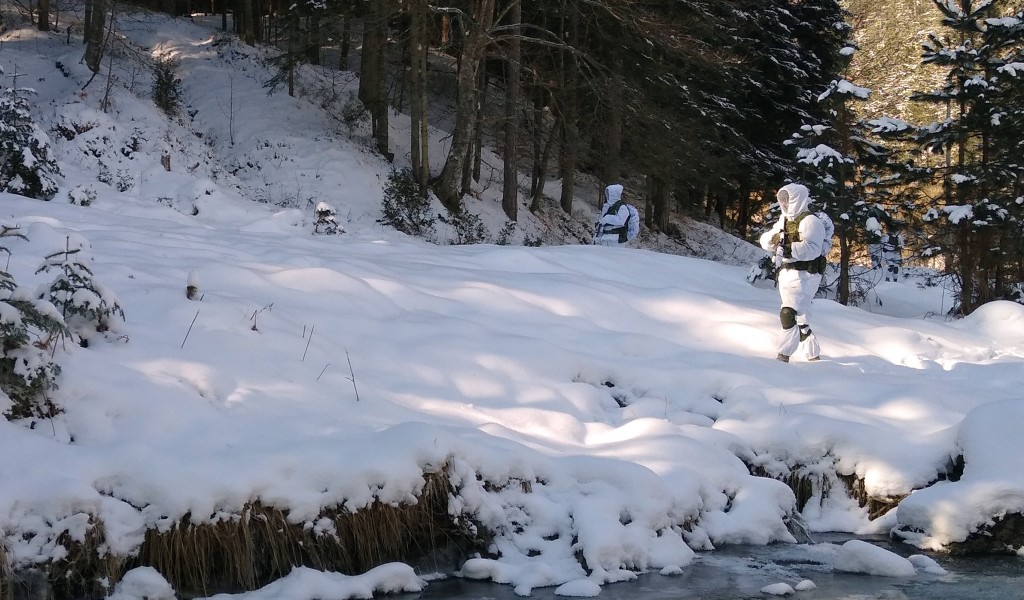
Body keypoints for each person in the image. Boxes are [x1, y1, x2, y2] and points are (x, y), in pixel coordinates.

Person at [759, 183, 825, 363]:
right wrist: (774, 240)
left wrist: (789, 249)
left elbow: (813, 249)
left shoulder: (811, 222)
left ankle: (784, 354)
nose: (785, 204)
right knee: (800, 317)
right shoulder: (784, 220)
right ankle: (812, 353)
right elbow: (766, 239)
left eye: (788, 200)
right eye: (783, 200)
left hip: (806, 275)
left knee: (788, 313)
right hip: (787, 273)